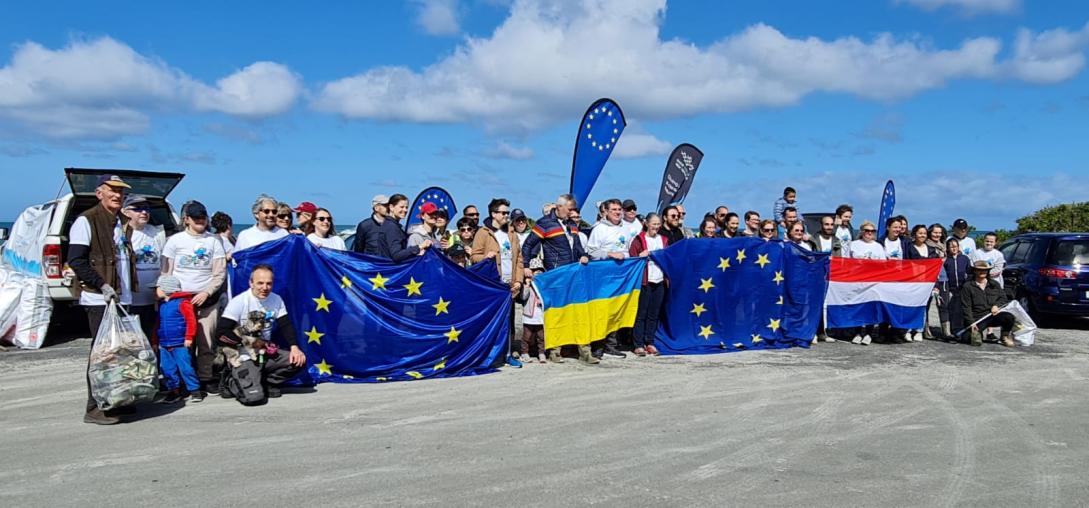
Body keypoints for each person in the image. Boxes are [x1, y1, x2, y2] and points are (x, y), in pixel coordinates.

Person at [67, 174, 138, 425]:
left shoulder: (121, 222)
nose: (117, 195)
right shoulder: (87, 221)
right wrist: (102, 285)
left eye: (121, 191)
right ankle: (95, 406)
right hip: (99, 300)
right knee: (101, 355)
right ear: (99, 193)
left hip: (122, 299)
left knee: (121, 354)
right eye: (112, 190)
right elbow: (76, 260)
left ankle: (117, 400)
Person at [162, 200, 227, 396]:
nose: (201, 221)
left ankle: (205, 377)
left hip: (207, 300)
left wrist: (207, 292)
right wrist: (167, 295)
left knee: (206, 342)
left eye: (203, 217)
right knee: (182, 344)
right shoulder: (174, 241)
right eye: (196, 217)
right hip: (180, 302)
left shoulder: (214, 241)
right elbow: (166, 272)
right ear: (186, 219)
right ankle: (182, 380)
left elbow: (219, 272)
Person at [216, 265, 306, 398]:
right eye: (260, 283)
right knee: (254, 397)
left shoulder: (276, 299)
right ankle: (231, 381)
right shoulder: (239, 302)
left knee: (298, 360)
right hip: (244, 354)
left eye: (269, 283)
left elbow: (285, 325)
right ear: (251, 283)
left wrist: (294, 347)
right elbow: (220, 333)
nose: (265, 287)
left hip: (264, 351)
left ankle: (266, 383)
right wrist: (247, 342)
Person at [521, 193, 591, 363]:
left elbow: (578, 246)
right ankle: (555, 350)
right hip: (556, 274)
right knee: (558, 313)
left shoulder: (572, 225)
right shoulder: (544, 224)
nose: (571, 213)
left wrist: (583, 255)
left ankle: (584, 351)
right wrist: (525, 266)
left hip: (574, 274)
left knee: (578, 312)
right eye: (569, 209)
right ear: (559, 207)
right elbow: (528, 245)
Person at [472, 198, 526, 366]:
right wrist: (485, 257)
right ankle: (490, 354)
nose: (506, 216)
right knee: (493, 320)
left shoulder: (511, 233)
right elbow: (474, 256)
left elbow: (519, 260)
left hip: (510, 285)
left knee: (509, 320)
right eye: (503, 213)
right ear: (493, 214)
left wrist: (518, 280)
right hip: (493, 285)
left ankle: (508, 353)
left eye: (507, 213)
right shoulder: (483, 232)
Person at [586, 199, 630, 359]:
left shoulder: (625, 228)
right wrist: (610, 254)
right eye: (614, 210)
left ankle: (611, 344)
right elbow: (591, 251)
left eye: (620, 209)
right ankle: (597, 346)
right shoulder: (599, 229)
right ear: (606, 212)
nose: (618, 212)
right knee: (601, 310)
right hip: (603, 275)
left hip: (620, 275)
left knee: (615, 309)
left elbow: (626, 249)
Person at [152, 274, 202, 404]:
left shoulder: (183, 303)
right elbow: (157, 325)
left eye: (156, 288)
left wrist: (189, 337)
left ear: (166, 288)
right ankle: (174, 391)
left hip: (180, 343)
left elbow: (191, 321)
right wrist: (155, 341)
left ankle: (194, 390)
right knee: (167, 369)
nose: (154, 291)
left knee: (186, 367)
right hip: (164, 344)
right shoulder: (162, 305)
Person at [122, 194, 165, 342]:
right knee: (133, 341)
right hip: (131, 299)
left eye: (146, 209)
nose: (144, 212)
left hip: (153, 298)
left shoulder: (157, 232)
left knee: (152, 337)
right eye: (138, 209)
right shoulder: (121, 233)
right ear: (126, 212)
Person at [629, 212, 668, 356]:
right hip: (644, 281)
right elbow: (632, 259)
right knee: (641, 313)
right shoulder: (639, 239)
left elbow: (669, 258)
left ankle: (650, 342)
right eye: (654, 224)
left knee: (654, 313)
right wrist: (640, 256)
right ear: (646, 223)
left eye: (658, 224)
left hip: (659, 280)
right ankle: (638, 344)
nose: (656, 227)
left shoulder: (663, 240)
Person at [847, 221, 886, 346]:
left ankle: (868, 333)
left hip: (872, 282)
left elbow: (883, 265)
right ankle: (858, 332)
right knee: (858, 306)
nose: (869, 233)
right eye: (867, 230)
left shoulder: (878, 247)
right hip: (857, 281)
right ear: (862, 231)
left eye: (872, 231)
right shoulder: (853, 245)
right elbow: (847, 262)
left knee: (871, 307)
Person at [961, 260, 1016, 347]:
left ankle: (1004, 336)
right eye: (979, 270)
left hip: (992, 315)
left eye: (985, 270)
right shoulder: (967, 286)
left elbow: (1003, 298)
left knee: (1009, 317)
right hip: (977, 318)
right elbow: (966, 306)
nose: (982, 272)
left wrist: (996, 305)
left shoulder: (994, 284)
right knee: (969, 339)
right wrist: (971, 322)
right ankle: (979, 334)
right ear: (974, 271)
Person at [905, 224, 941, 341]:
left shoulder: (931, 250)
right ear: (915, 234)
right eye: (920, 233)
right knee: (911, 306)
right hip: (912, 283)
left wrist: (936, 285)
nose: (922, 235)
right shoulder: (909, 248)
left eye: (924, 233)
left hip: (927, 283)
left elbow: (935, 269)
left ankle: (919, 330)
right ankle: (908, 330)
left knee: (924, 307)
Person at [380, 194, 432, 262]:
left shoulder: (392, 225)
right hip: (393, 269)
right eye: (401, 207)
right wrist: (420, 246)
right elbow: (397, 255)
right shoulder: (391, 227)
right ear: (391, 207)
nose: (405, 210)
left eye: (406, 207)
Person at [518, 257, 547, 363]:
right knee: (527, 336)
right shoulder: (528, 286)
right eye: (534, 271)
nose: (537, 274)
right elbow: (523, 297)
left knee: (541, 336)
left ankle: (541, 353)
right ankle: (524, 353)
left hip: (540, 316)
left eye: (540, 271)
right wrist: (527, 285)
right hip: (529, 316)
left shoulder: (544, 287)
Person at [942, 238, 971, 342]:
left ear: (958, 247)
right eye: (951, 246)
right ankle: (953, 332)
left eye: (955, 246)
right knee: (952, 311)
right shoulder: (946, 260)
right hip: (951, 289)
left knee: (962, 311)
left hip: (962, 289)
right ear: (948, 248)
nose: (954, 248)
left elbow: (969, 273)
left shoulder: (964, 258)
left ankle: (963, 331)